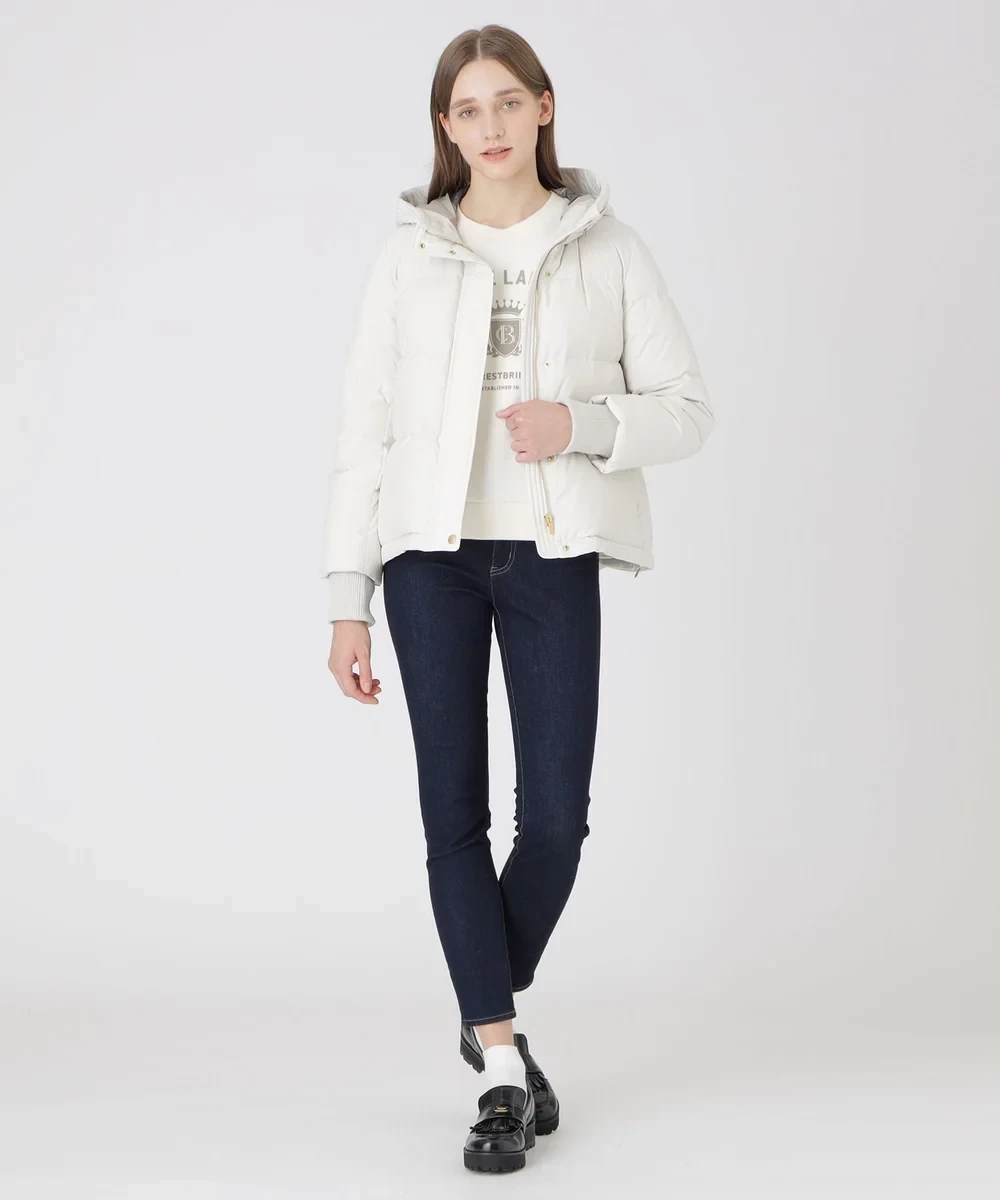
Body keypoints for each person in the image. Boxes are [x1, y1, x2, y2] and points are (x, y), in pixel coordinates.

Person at [322, 24, 715, 1173]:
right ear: (443, 129)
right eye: (465, 109)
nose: (487, 126)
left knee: (552, 821)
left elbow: (688, 408)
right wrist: (347, 596)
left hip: (550, 551)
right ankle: (499, 1067)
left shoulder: (608, 248)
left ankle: (479, 991)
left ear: (544, 107)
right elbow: (363, 435)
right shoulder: (408, 258)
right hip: (427, 560)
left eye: (506, 102)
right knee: (450, 817)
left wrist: (578, 424)